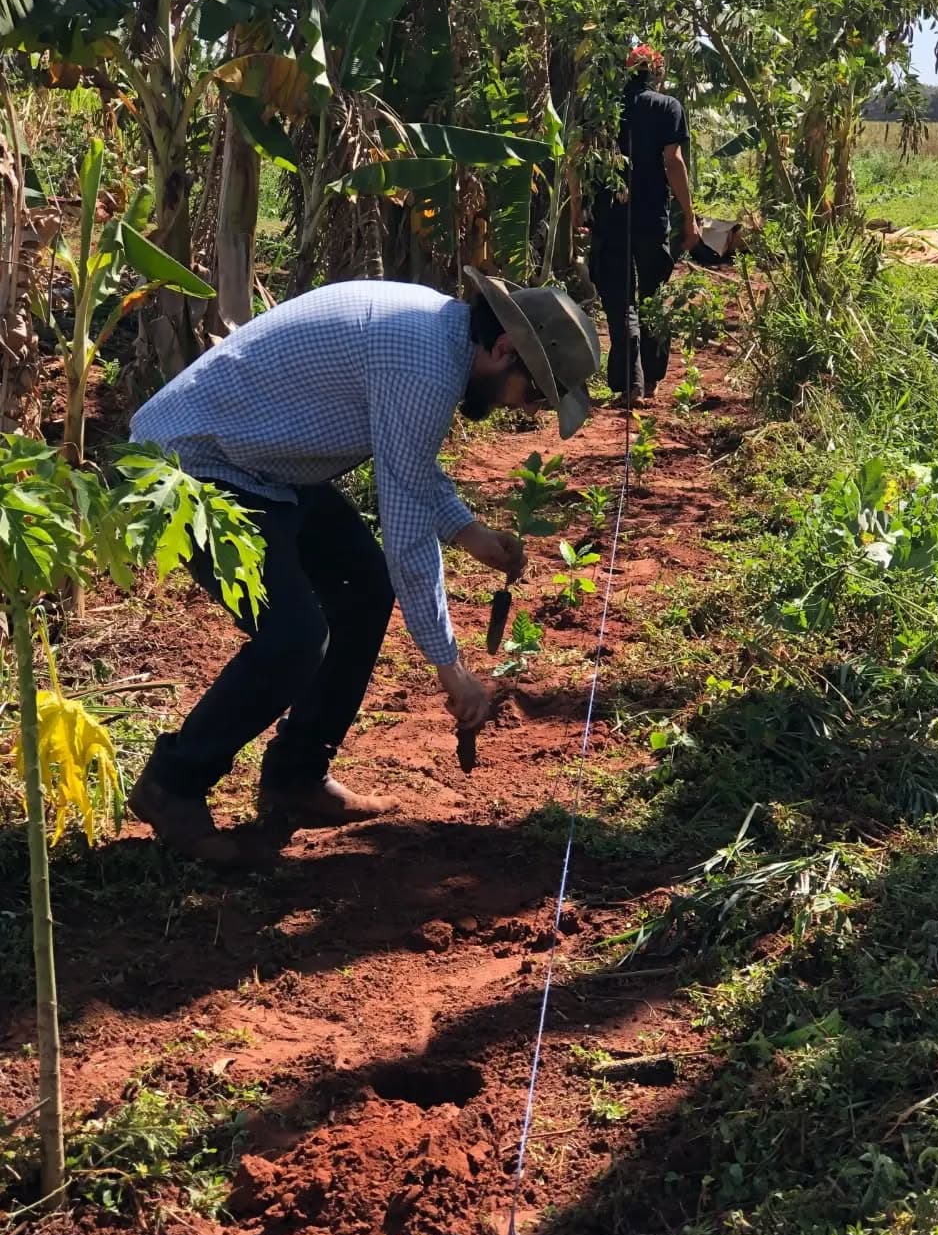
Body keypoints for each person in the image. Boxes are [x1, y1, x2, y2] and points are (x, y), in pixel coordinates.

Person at [125, 270, 601, 865]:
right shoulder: (424, 365)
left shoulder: (436, 336)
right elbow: (405, 533)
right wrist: (449, 668)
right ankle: (173, 783)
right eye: (531, 393)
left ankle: (296, 775)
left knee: (363, 589)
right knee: (295, 637)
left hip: (267, 467)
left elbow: (408, 459)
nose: (521, 409)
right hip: (194, 465)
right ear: (505, 350)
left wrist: (467, 530)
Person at [584, 44, 700, 405]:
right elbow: (673, 161)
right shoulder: (669, 107)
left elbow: (581, 159)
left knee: (620, 302)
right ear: (657, 72)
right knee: (653, 297)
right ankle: (649, 381)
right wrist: (690, 216)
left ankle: (628, 383)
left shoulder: (603, 108)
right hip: (652, 219)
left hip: (610, 216)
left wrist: (579, 210)